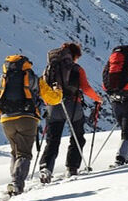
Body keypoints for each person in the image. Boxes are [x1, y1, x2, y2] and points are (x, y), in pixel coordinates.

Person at [0, 55, 62, 195]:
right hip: (27, 119)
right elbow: (53, 99)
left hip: (6, 120)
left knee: (15, 151)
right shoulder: (33, 78)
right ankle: (16, 183)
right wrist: (58, 90)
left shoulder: (4, 80)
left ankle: (15, 181)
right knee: (24, 153)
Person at [38, 43, 102, 182]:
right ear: (74, 55)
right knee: (78, 137)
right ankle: (72, 168)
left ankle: (45, 168)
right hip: (73, 105)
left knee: (53, 140)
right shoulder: (76, 68)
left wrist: (49, 103)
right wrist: (98, 99)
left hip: (53, 105)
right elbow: (85, 88)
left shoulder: (49, 68)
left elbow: (43, 89)